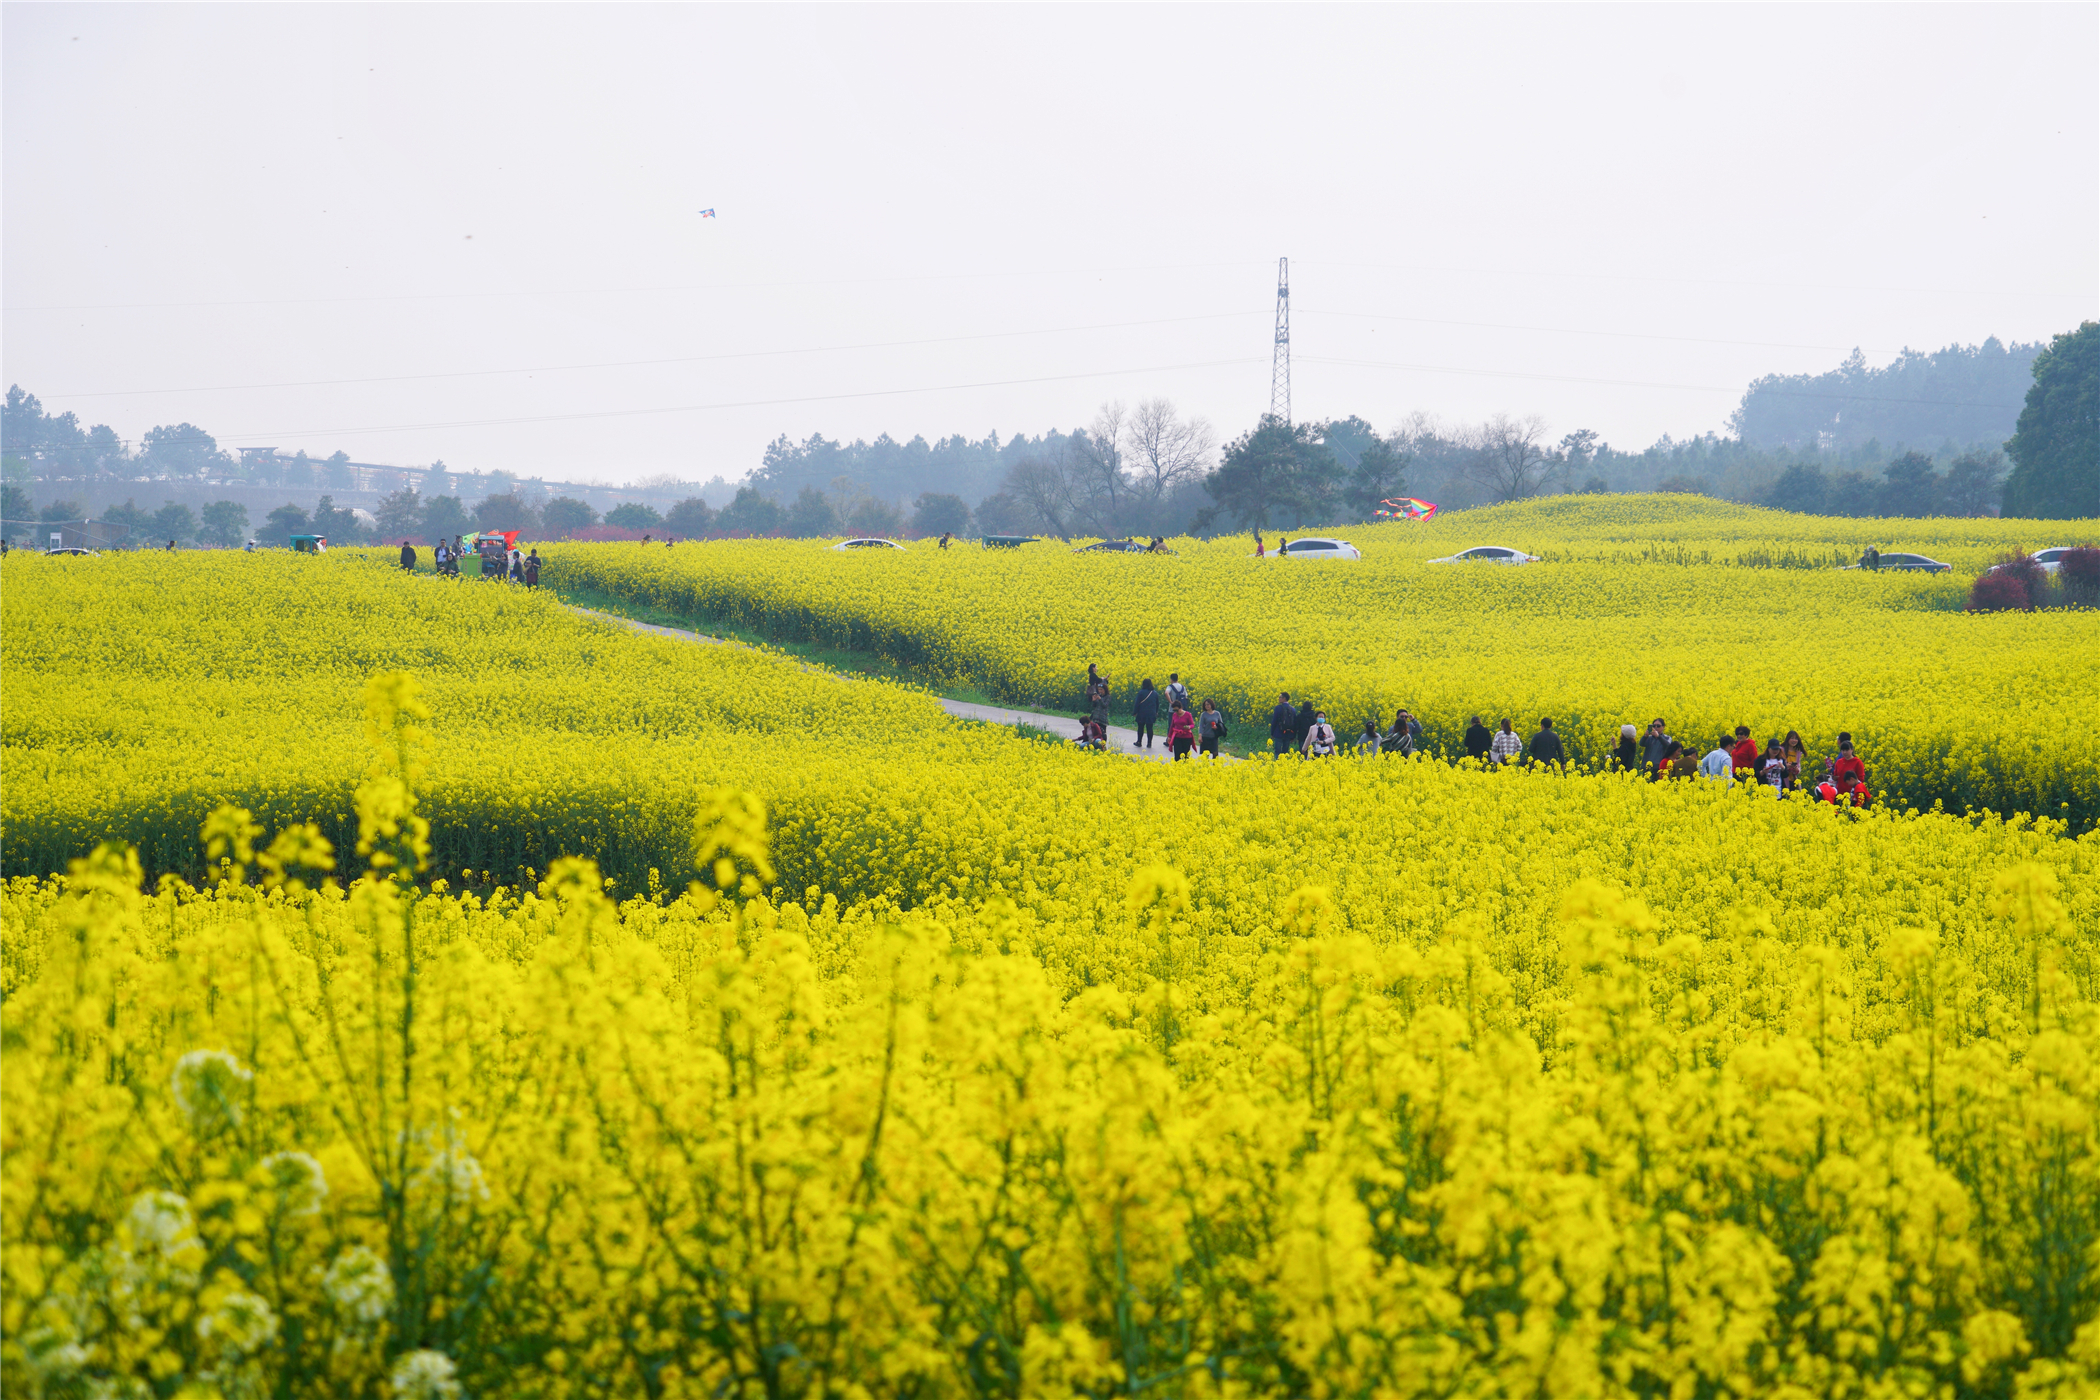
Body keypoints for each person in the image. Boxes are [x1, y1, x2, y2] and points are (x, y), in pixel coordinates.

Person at [1133, 679, 1161, 750]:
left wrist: (1135, 712)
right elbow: (1157, 704)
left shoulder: (1141, 692)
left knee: (1140, 727)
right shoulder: (1155, 693)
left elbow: (1137, 703)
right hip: (1151, 713)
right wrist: (1156, 712)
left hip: (1142, 712)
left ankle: (1139, 742)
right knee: (1150, 728)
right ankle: (1149, 743)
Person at [1268, 692, 1297, 758]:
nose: (1279, 699)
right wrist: (1293, 736)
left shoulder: (1278, 708)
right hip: (1288, 733)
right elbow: (1295, 723)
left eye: (1280, 697)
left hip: (1278, 732)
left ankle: (1277, 763)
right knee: (1285, 752)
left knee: (1277, 752)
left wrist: (1272, 733)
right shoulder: (1293, 709)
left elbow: (1274, 721)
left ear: (1284, 698)